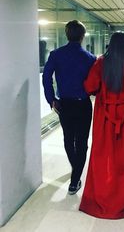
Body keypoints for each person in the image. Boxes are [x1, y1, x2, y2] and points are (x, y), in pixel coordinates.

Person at [79, 32, 124, 219]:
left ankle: (101, 195)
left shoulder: (100, 63)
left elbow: (90, 87)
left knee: (101, 154)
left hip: (104, 116)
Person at [42, 20, 96, 195]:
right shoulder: (89, 58)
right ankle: (75, 179)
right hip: (83, 105)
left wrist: (52, 99)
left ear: (66, 35)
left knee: (68, 139)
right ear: (82, 36)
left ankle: (75, 169)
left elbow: (46, 78)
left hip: (64, 103)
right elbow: (94, 84)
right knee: (81, 142)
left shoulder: (56, 54)